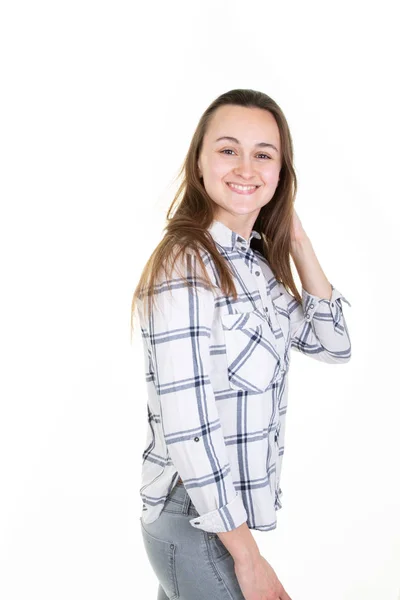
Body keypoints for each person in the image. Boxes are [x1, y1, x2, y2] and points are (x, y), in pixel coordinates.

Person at [131, 88, 351, 600]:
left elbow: (334, 344)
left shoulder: (252, 267)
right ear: (200, 164)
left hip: (217, 521)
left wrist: (297, 241)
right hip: (196, 519)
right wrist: (249, 559)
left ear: (280, 174)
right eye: (228, 149)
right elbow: (189, 427)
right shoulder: (187, 265)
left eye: (264, 154)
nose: (246, 167)